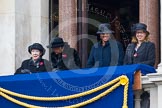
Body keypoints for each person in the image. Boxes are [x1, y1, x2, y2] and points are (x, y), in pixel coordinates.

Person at [124, 23, 156, 108]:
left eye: (141, 32)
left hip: (142, 76)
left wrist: (137, 67)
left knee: (143, 101)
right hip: (130, 77)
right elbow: (125, 62)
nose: (139, 35)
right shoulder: (130, 46)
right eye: (137, 33)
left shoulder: (150, 45)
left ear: (145, 34)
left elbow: (151, 61)